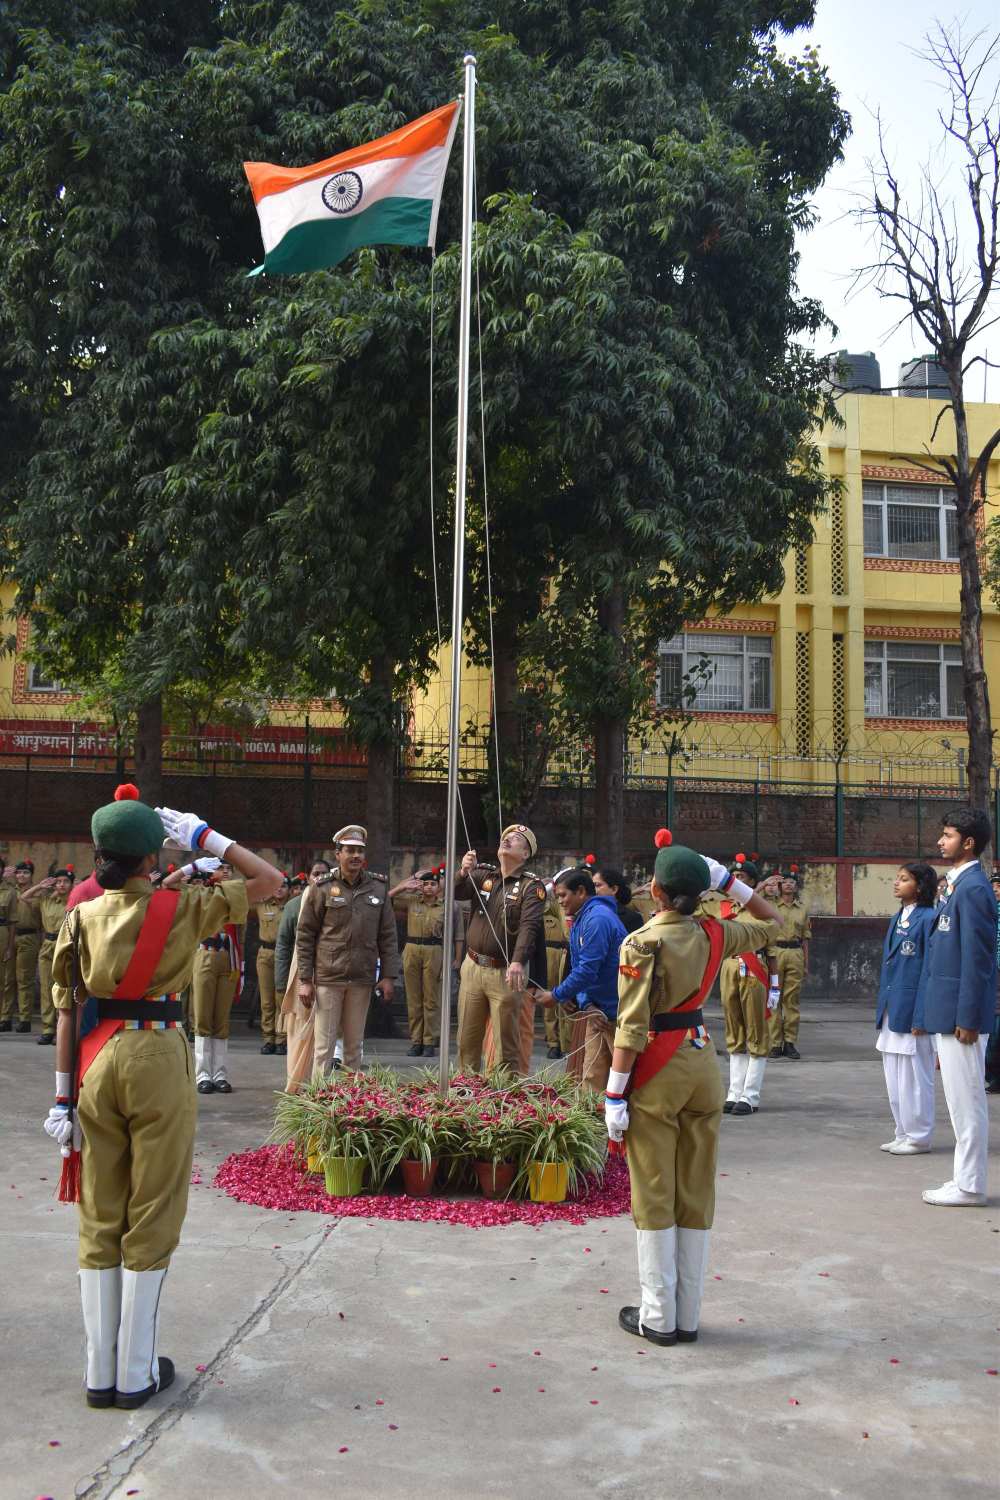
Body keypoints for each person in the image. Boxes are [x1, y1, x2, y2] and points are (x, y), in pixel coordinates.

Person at [43, 788, 281, 1408]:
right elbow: (270, 880)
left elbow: (66, 1015)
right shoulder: (181, 907)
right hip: (156, 1054)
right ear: (154, 857)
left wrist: (62, 1100)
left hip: (96, 1061)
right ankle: (137, 1371)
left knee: (100, 1211)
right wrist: (207, 839)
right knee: (152, 1210)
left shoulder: (80, 916)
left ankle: (100, 1373)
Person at [606, 834, 781, 1346]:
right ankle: (688, 1315)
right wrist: (731, 883)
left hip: (658, 1069)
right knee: (697, 1186)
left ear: (656, 892)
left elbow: (631, 1027)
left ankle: (658, 1317)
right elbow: (774, 923)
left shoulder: (641, 942)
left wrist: (616, 1094)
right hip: (703, 1063)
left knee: (655, 1187)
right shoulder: (715, 933)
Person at [914, 807, 997, 1208]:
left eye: (947, 835)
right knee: (958, 1101)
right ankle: (964, 1179)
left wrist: (967, 1016)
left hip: (962, 1017)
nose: (939, 841)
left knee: (967, 1102)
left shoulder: (975, 889)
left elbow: (978, 960)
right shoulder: (959, 886)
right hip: (949, 1011)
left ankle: (970, 1185)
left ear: (968, 842)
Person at [296, 826, 398, 1076]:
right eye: (350, 850)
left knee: (354, 1047)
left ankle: (350, 1104)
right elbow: (306, 935)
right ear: (338, 854)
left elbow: (388, 936)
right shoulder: (321, 887)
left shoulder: (378, 888)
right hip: (328, 977)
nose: (355, 856)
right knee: (324, 1048)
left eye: (360, 851)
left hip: (361, 978)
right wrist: (305, 980)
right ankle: (319, 1103)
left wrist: (388, 976)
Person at [453, 823, 545, 1076]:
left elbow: (529, 927)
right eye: (505, 836)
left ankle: (503, 1098)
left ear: (525, 854)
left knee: (505, 1044)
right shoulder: (484, 875)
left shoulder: (531, 887)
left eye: (515, 839)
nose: (507, 840)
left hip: (505, 972)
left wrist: (517, 961)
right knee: (466, 1039)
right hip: (472, 967)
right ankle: (466, 1092)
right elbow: (456, 891)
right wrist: (463, 871)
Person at [534, 867, 626, 1094]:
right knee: (591, 1077)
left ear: (582, 892)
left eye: (564, 895)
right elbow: (579, 968)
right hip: (598, 1012)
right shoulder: (581, 919)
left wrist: (556, 995)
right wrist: (587, 1004)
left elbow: (587, 971)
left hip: (619, 1015)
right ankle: (593, 1125)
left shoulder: (597, 919)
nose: (561, 902)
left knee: (625, 1084)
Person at [875, 863, 939, 1154]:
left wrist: (922, 1015)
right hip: (893, 1007)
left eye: (904, 879)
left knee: (915, 1078)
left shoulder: (929, 918)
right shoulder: (897, 917)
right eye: (897, 878)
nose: (896, 883)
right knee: (894, 1076)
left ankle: (919, 1135)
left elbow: (930, 971)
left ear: (921, 886)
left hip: (914, 1010)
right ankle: (902, 1131)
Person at [717, 857, 779, 1116]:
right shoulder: (722, 908)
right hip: (729, 970)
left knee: (755, 1030)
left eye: (742, 879)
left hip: (754, 972)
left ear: (752, 883)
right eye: (735, 878)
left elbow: (772, 950)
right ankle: (734, 1092)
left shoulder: (763, 911)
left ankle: (750, 1095)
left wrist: (775, 984)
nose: (737, 882)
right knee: (734, 1031)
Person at [389, 866, 460, 1058]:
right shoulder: (411, 902)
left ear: (438, 887)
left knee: (431, 998)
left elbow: (456, 934)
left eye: (433, 884)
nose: (429, 887)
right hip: (411, 949)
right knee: (413, 999)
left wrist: (457, 958)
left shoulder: (445, 906)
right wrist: (406, 884)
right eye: (426, 884)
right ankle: (416, 1041)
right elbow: (387, 899)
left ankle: (429, 1041)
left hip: (434, 950)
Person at [187, 859, 244, 1094]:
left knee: (221, 1019)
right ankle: (202, 1074)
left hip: (226, 956)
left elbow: (240, 928)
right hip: (205, 955)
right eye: (222, 869)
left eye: (229, 869)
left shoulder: (235, 894)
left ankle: (219, 1073)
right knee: (202, 1017)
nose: (227, 872)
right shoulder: (201, 893)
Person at [25, 865, 76, 1045]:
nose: (62, 885)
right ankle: (47, 1029)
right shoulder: (46, 901)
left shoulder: (74, 902)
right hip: (47, 945)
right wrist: (40, 886)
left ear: (72, 884)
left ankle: (60, 1028)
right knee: (46, 988)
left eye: (66, 882)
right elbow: (24, 897)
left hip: (65, 946)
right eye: (59, 882)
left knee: (62, 987)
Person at [766, 873, 811, 1059]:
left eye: (792, 882)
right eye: (785, 882)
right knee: (774, 998)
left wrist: (806, 963)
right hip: (775, 952)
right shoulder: (770, 906)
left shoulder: (802, 909)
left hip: (795, 953)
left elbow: (806, 938)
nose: (789, 885)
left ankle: (790, 1042)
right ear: (779, 885)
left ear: (796, 887)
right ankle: (775, 1043)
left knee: (791, 1001)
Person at [253, 877, 289, 1055]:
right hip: (265, 954)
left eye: (284, 886)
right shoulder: (263, 904)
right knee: (266, 1001)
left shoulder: (291, 907)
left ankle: (282, 1039)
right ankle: (268, 1039)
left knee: (281, 999)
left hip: (285, 955)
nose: (280, 889)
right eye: (276, 886)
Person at [541, 880, 573, 1059]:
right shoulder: (557, 904)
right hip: (555, 956)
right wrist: (546, 888)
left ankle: (568, 1041)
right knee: (552, 997)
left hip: (573, 952)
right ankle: (554, 1042)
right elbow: (541, 904)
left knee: (570, 999)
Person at [9, 860, 41, 1033]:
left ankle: (24, 1019)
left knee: (24, 979)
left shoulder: (38, 893)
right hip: (9, 936)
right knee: (7, 979)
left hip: (28, 936)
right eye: (19, 872)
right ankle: (5, 1017)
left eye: (26, 873)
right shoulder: (9, 890)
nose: (21, 875)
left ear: (31, 875)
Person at [593, 866, 645, 934]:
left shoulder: (632, 918)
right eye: (592, 886)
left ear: (614, 889)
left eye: (597, 885)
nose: (593, 890)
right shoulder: (588, 913)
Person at [985, 872, 1000, 1095]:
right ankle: (993, 1077)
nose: (996, 890)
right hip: (991, 974)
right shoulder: (986, 911)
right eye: (994, 886)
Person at [0, 863, 18, 1031]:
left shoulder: (10, 892)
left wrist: (9, 946)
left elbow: (13, 921)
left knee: (4, 979)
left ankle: (4, 1016)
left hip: (2, 932)